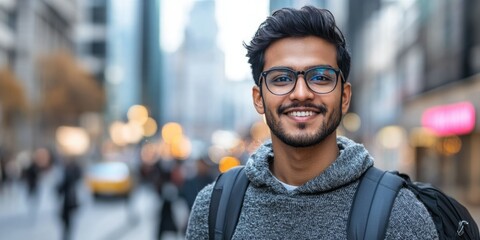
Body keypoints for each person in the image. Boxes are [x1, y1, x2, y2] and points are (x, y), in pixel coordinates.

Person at [186, 6, 438, 239]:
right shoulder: (213, 208)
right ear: (258, 99)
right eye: (282, 78)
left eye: (320, 77)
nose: (301, 93)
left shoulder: (400, 213)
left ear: (345, 96)